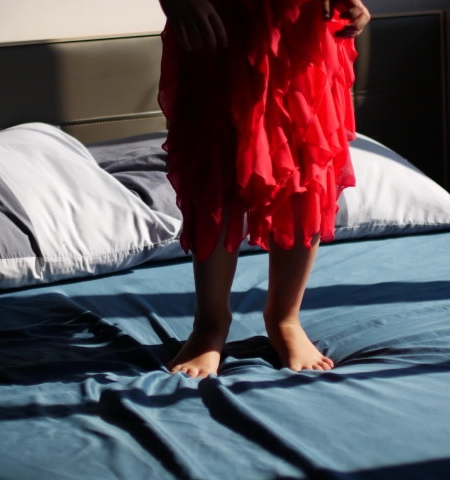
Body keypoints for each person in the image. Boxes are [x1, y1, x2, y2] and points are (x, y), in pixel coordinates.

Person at [158, 0, 370, 378]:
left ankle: (285, 317)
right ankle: (210, 322)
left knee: (304, 167)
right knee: (220, 161)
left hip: (306, 24)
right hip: (221, 16)